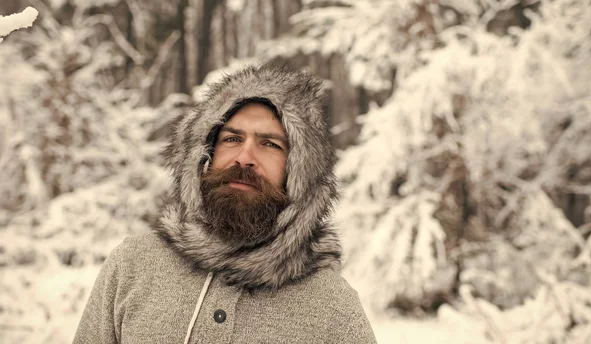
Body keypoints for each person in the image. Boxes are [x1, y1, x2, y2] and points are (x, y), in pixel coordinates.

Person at [74, 63, 377, 343]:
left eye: (270, 144)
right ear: (203, 156)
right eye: (232, 139)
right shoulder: (134, 265)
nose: (245, 157)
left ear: (299, 172)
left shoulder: (332, 307)